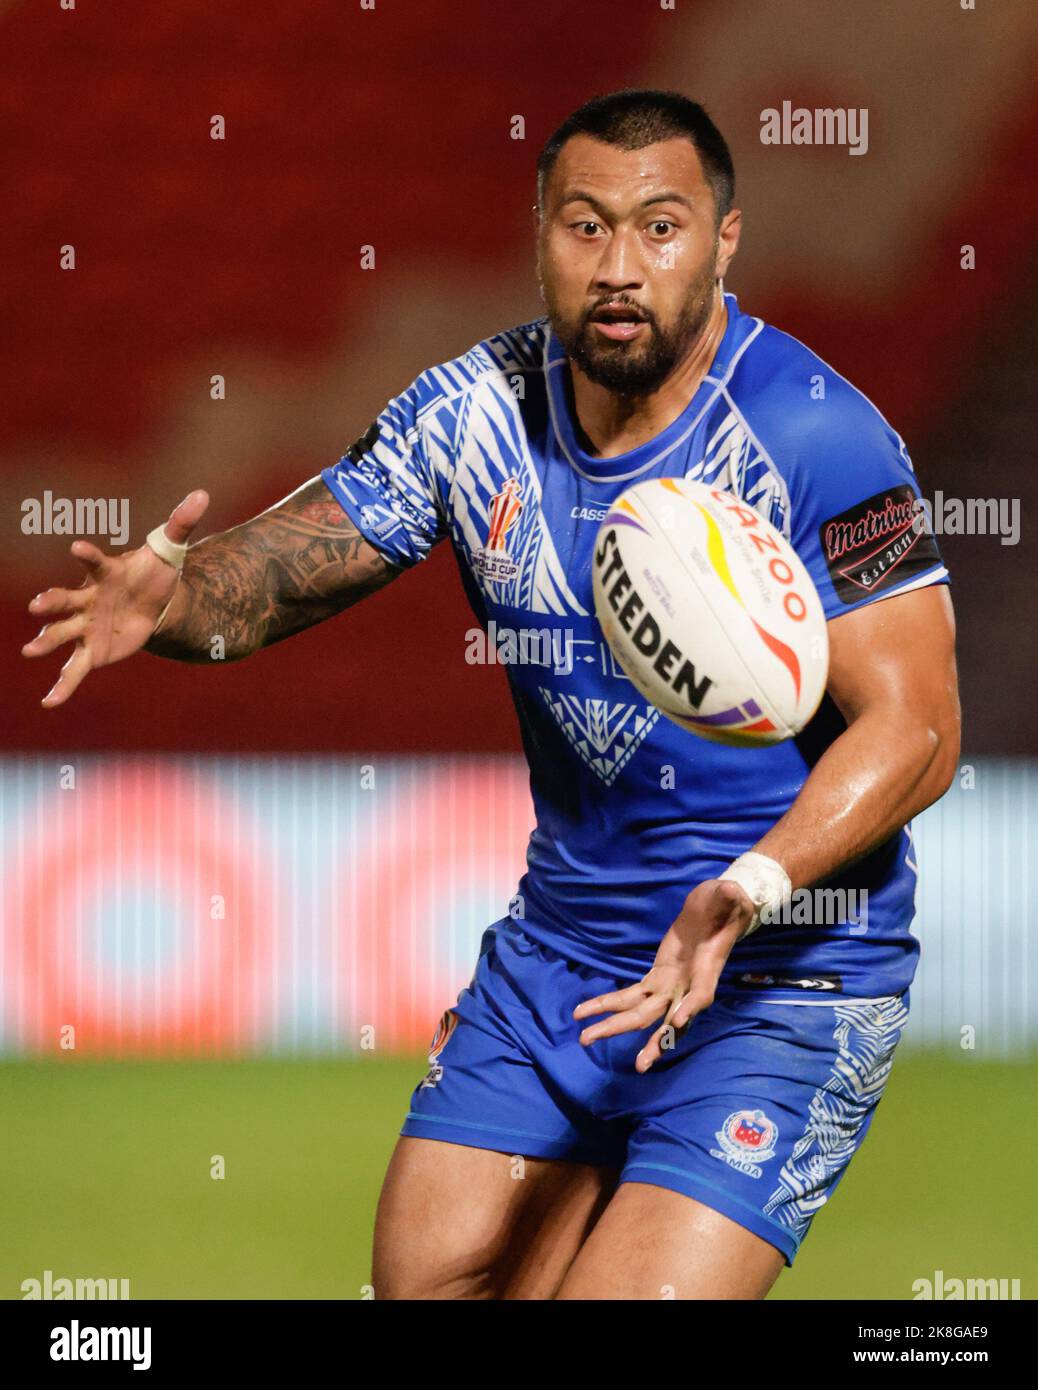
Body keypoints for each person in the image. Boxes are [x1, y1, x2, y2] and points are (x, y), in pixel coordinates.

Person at [22, 90, 960, 1300]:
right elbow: (283, 567)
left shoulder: (818, 435)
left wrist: (753, 885)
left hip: (784, 975)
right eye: (585, 227)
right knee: (426, 1282)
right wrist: (174, 603)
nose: (621, 266)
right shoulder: (472, 416)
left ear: (725, 242)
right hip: (564, 959)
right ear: (539, 240)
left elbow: (920, 727)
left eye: (661, 228)